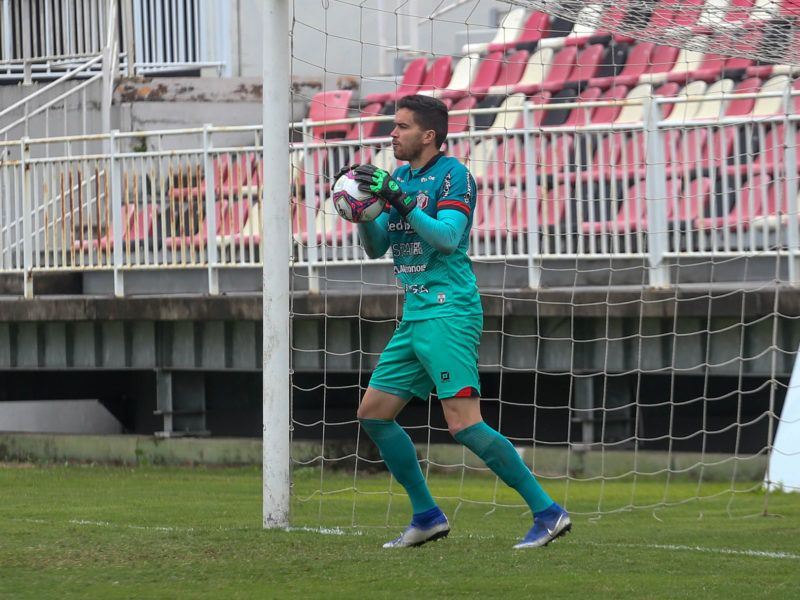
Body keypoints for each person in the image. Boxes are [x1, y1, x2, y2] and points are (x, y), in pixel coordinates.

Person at [333, 94, 570, 549]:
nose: (393, 134)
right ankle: (426, 516)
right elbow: (376, 248)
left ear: (429, 135)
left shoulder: (454, 175)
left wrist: (398, 199)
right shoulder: (399, 176)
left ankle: (548, 512)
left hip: (449, 311)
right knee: (374, 415)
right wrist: (362, 212)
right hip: (416, 314)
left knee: (463, 424)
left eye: (401, 127)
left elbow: (445, 238)